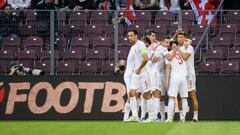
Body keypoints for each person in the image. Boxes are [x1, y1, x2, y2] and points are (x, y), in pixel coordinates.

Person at [126, 30, 151, 122]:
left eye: (131, 35)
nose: (129, 37)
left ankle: (152, 116)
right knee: (131, 92)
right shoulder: (133, 47)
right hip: (136, 73)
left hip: (144, 73)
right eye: (128, 36)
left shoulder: (141, 45)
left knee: (147, 94)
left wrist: (139, 68)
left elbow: (146, 58)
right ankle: (135, 115)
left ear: (136, 36)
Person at [176, 31, 199, 122]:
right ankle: (182, 117)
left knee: (192, 95)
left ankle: (195, 117)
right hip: (181, 75)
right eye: (178, 37)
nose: (179, 39)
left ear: (185, 38)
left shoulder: (189, 47)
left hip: (189, 75)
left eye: (181, 37)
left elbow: (185, 57)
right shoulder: (180, 48)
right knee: (179, 97)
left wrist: (178, 49)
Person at [165, 40, 189, 123]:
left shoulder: (170, 53)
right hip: (180, 77)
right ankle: (178, 118)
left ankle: (172, 118)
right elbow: (168, 67)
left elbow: (168, 67)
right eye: (174, 46)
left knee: (175, 98)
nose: (174, 47)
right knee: (181, 98)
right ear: (171, 46)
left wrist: (167, 80)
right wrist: (167, 80)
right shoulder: (177, 52)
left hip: (177, 77)